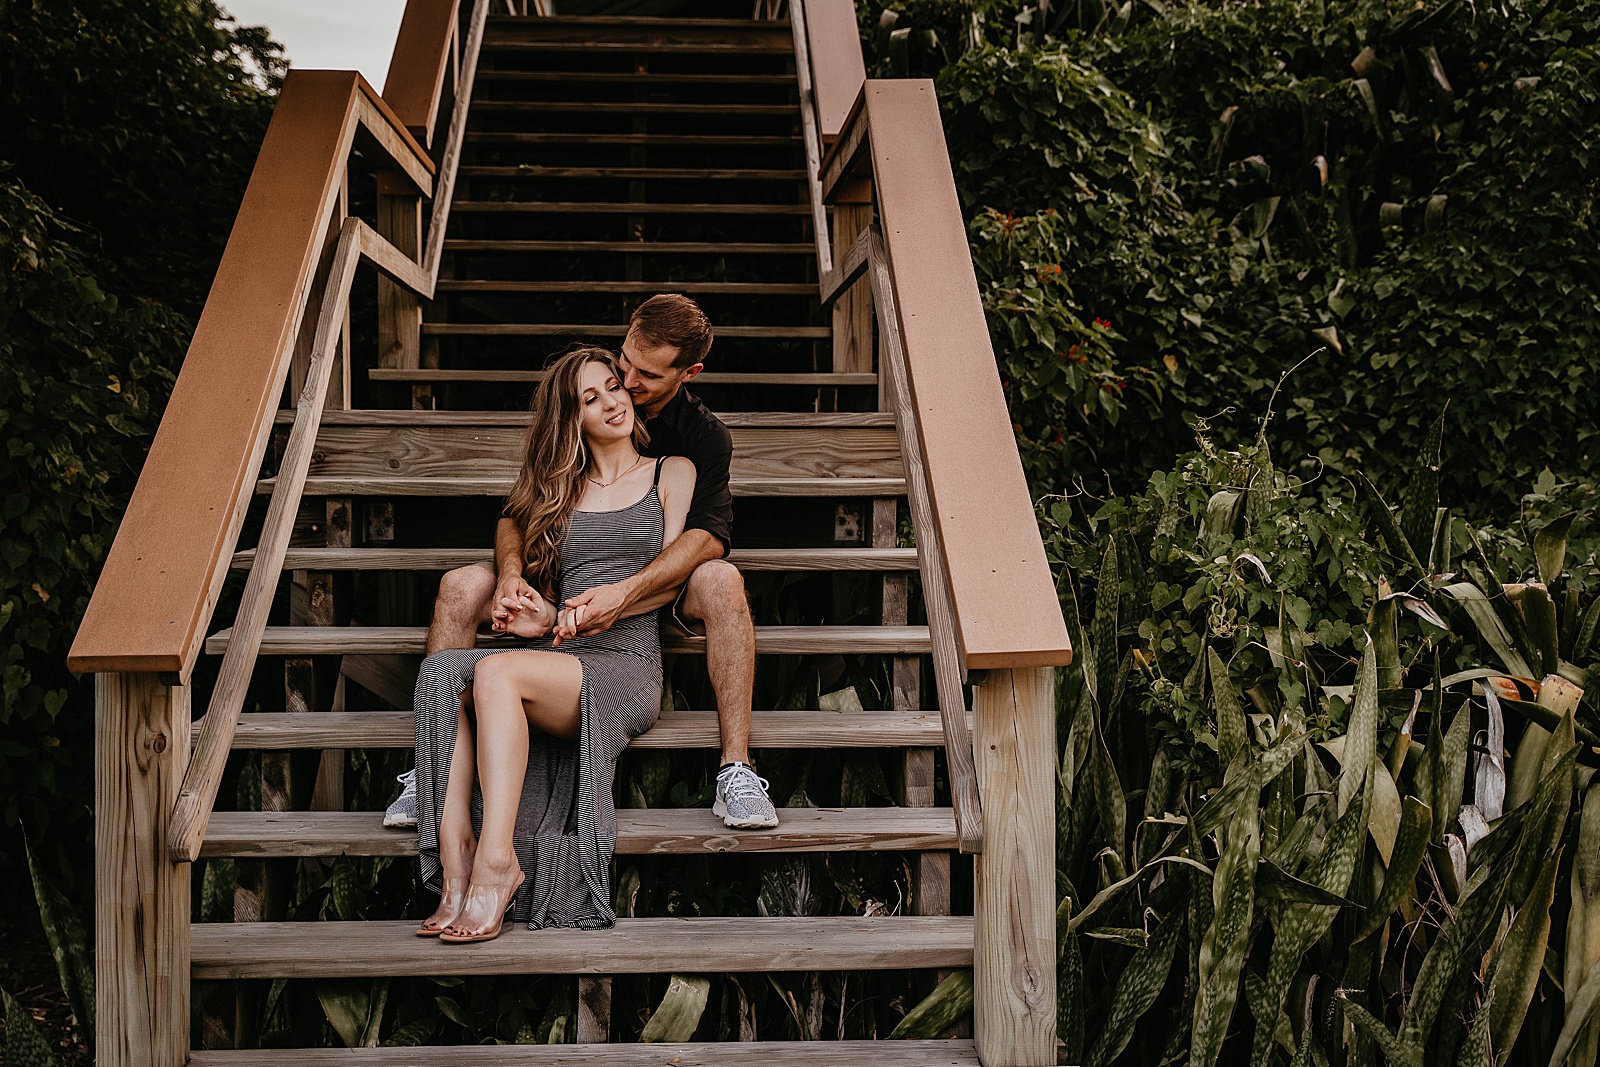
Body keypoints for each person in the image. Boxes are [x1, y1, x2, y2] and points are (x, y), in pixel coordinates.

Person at [387, 294, 778, 831]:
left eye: (644, 376)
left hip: (663, 585)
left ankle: (735, 767)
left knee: (721, 578)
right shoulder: (589, 399)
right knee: (460, 584)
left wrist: (622, 594)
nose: (627, 383)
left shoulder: (701, 441)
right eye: (624, 363)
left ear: (688, 374)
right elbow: (513, 518)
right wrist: (512, 577)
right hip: (565, 580)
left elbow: (708, 538)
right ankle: (427, 768)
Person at [413, 347, 696, 942]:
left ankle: (499, 864)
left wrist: (571, 617)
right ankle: (455, 851)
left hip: (626, 663)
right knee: (443, 672)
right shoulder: (559, 490)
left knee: (495, 675)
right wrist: (532, 610)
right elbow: (511, 520)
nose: (612, 402)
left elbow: (668, 580)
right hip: (560, 654)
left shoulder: (672, 472)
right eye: (590, 399)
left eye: (614, 387)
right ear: (572, 420)